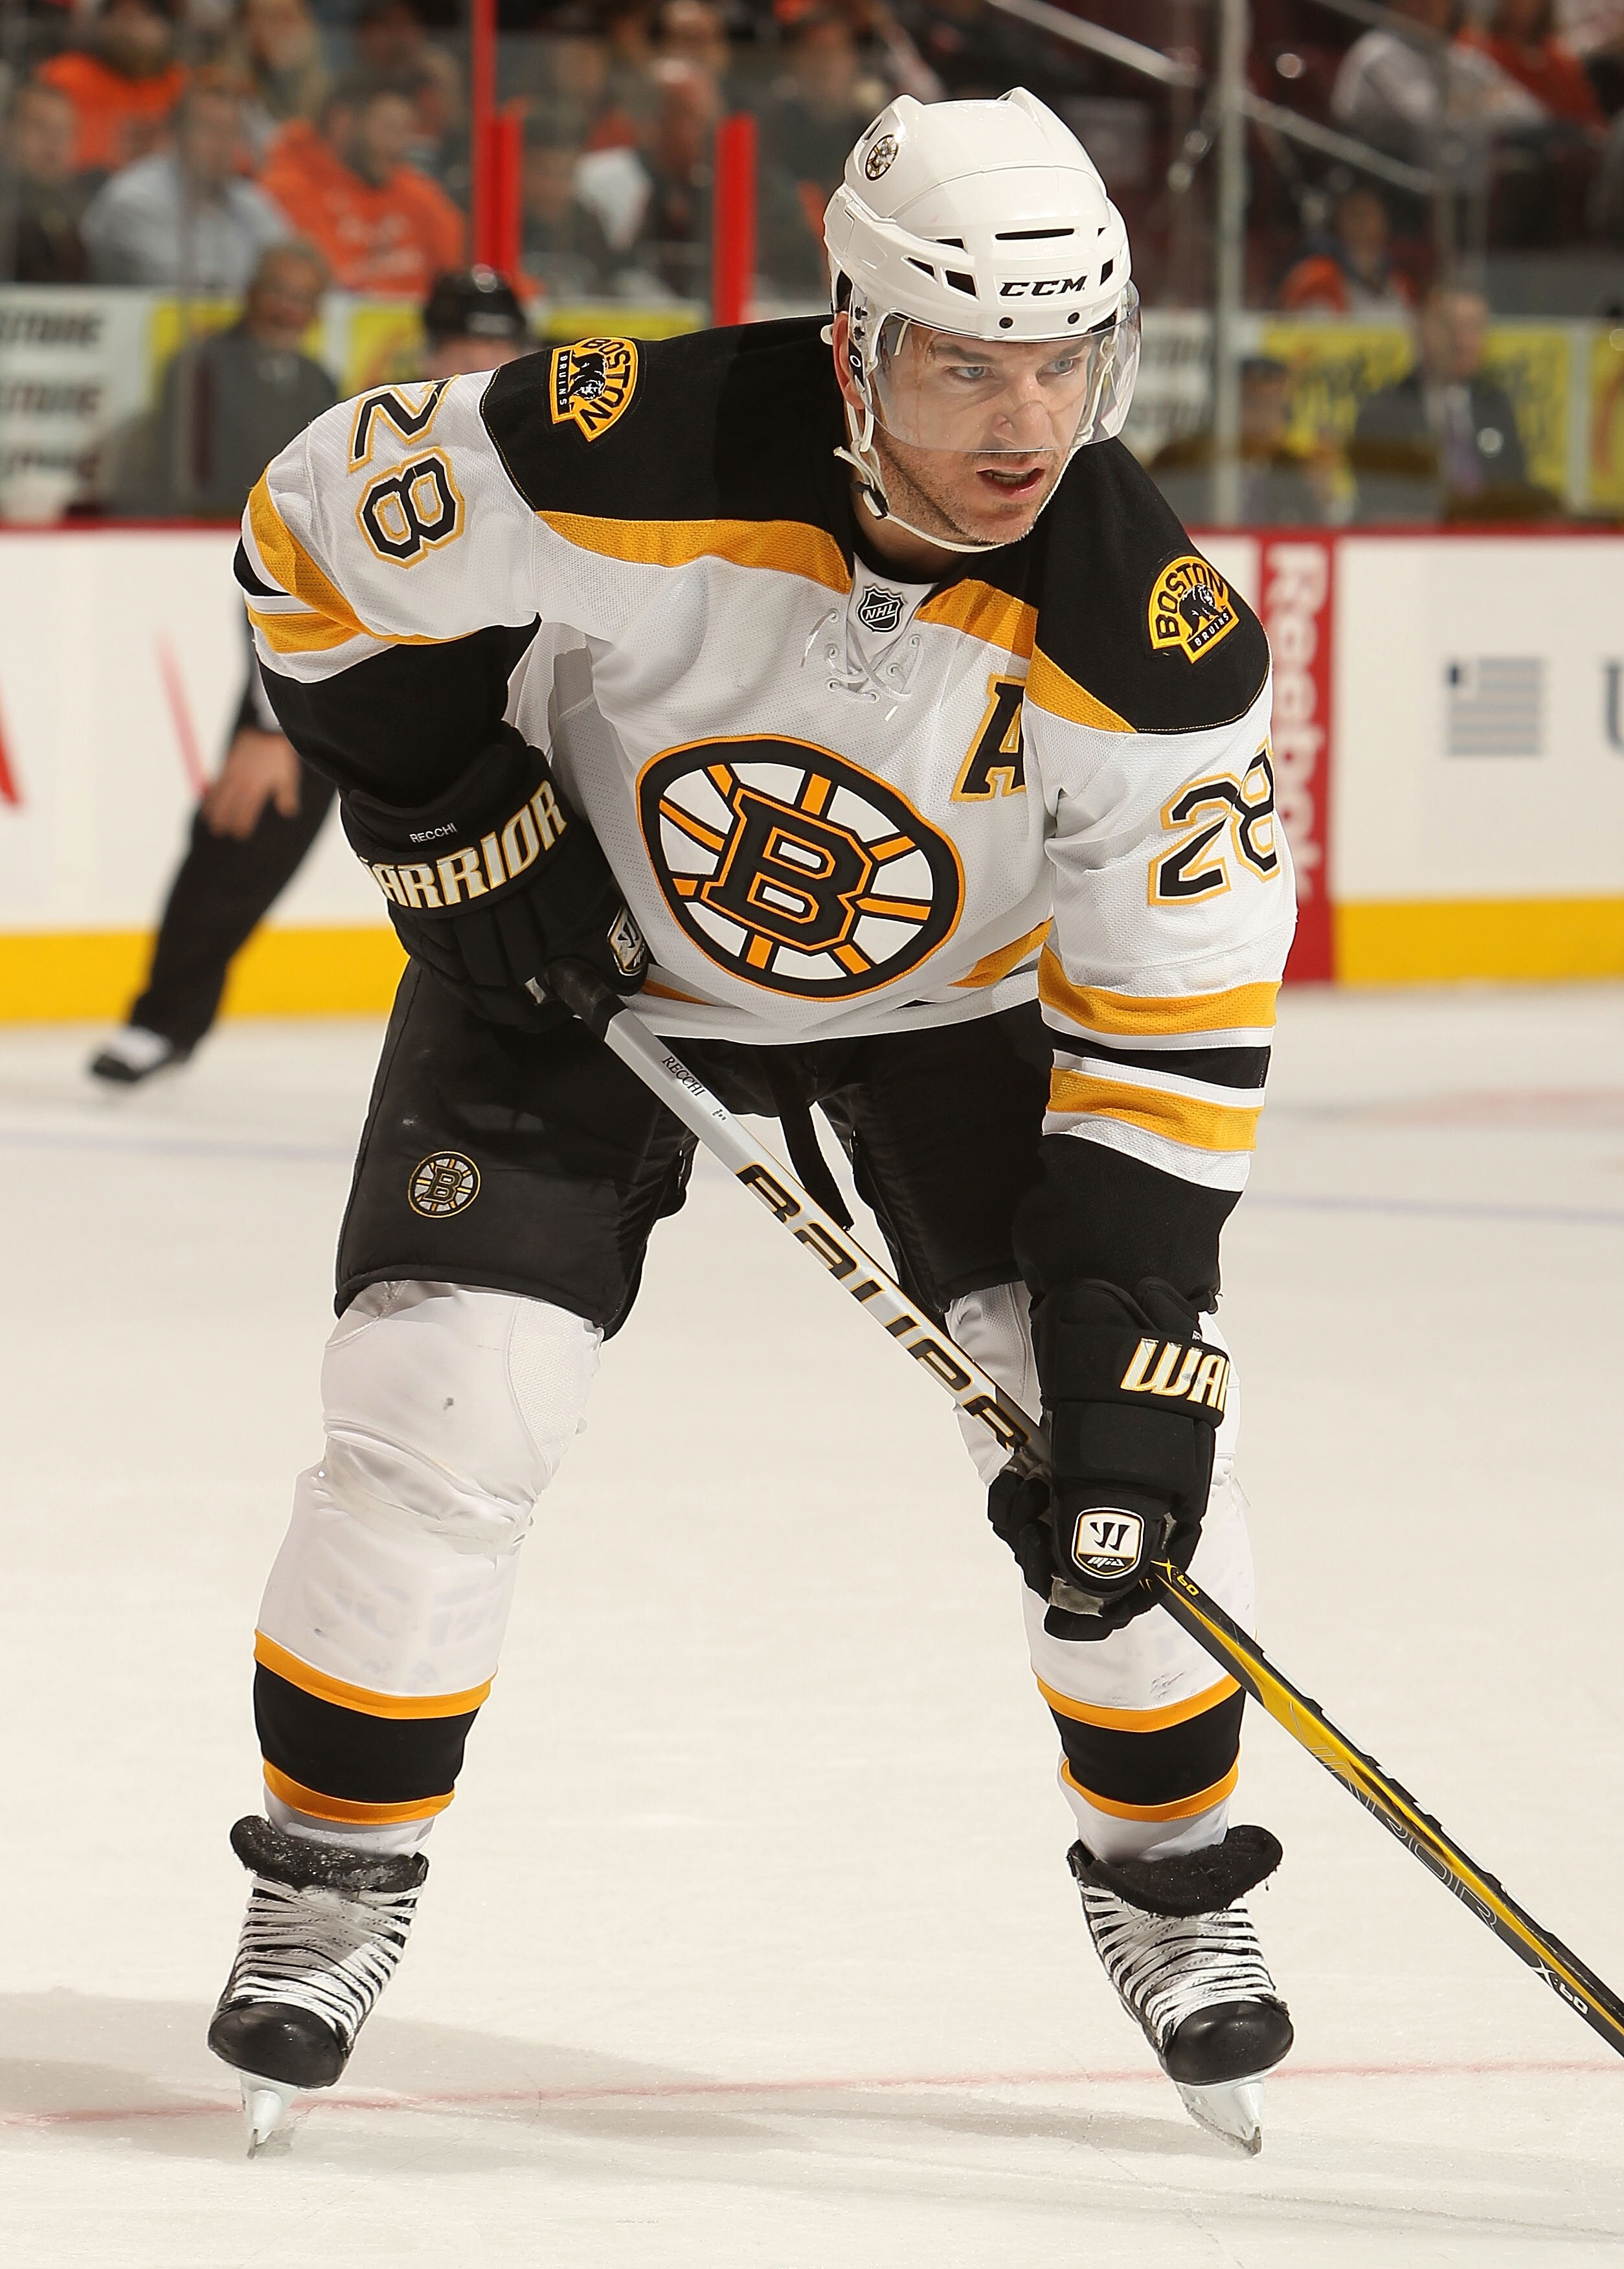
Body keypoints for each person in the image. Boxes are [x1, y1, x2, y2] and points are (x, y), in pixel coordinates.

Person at [207, 90, 1298, 2159]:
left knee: (1134, 1468)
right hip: (579, 956)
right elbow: (306, 539)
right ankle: (327, 1872)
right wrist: (448, 810)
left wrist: (1133, 1371)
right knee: (443, 1400)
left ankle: (1167, 1887)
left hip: (956, 1022)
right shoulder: (615, 443)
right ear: (851, 342)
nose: (1020, 420)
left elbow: (1165, 1037)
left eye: (1065, 360)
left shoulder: (1156, 649)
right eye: (966, 360)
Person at [89, 267, 533, 1089]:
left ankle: (528, 1052)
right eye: (465, 339)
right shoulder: (359, 432)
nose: (482, 354)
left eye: (499, 339)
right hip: (348, 670)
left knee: (512, 860)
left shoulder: (535, 431)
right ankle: (162, 1022)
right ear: (428, 345)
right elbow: (281, 568)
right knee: (241, 832)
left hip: (491, 678)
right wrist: (268, 727)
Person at [258, 74, 464, 296]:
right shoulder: (287, 189)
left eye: (406, 132)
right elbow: (321, 285)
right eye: (389, 129)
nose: (399, 147)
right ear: (343, 123)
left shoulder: (417, 192)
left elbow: (456, 272)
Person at [1350, 284, 1539, 518]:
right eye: (1449, 326)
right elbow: (1380, 504)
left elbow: (1518, 495)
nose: (1461, 341)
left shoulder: (1496, 407)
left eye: (1473, 327)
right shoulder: (1383, 412)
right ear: (1421, 327)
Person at [82, 79, 289, 291]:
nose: (221, 143)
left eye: (231, 131)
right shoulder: (134, 200)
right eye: (208, 129)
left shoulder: (250, 201)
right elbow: (187, 293)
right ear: (176, 134)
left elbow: (290, 270)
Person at [1150, 358, 1332, 527]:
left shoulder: (1294, 471)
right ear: (1224, 406)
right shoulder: (1182, 461)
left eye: (1275, 405)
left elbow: (1315, 531)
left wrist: (1322, 495)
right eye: (1253, 403)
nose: (1264, 419)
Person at [39, 0, 188, 178]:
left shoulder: (181, 84)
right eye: (117, 13)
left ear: (167, 27)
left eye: (145, 14)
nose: (129, 25)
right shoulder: (66, 77)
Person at [0, 79, 92, 284]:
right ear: (5, 131)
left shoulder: (85, 210)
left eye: (65, 131)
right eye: (40, 127)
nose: (54, 143)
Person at [1276, 183, 1415, 317]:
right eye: (1354, 214)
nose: (1362, 222)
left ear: (1386, 222)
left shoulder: (1401, 284)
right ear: (1338, 221)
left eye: (1369, 213)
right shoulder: (1317, 277)